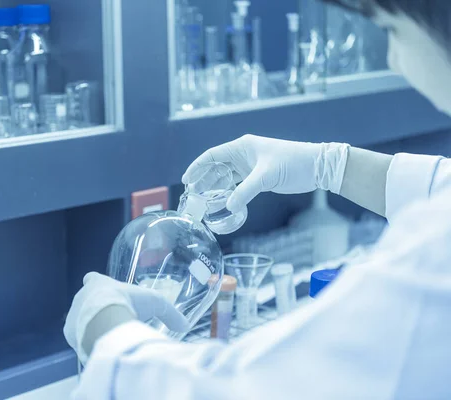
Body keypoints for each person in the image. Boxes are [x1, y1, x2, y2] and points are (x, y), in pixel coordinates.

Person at [64, 1, 451, 398]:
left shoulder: (430, 258)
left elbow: (251, 388)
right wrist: (330, 164)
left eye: (392, 29)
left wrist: (107, 331)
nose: (392, 58)